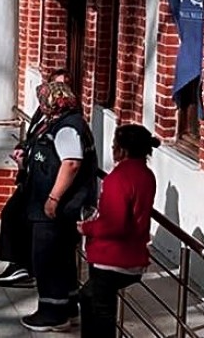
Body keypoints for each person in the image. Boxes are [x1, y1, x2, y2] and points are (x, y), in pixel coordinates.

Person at [21, 81, 98, 332]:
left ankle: (52, 312)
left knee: (47, 258)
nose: (40, 105)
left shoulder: (68, 127)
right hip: (51, 203)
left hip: (58, 207)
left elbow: (71, 163)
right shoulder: (61, 122)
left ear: (54, 102)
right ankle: (67, 306)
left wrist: (53, 198)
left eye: (43, 100)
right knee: (62, 258)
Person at [77, 125, 159, 337]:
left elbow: (115, 224)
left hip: (113, 257)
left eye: (114, 146)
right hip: (132, 253)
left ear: (122, 150)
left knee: (100, 311)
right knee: (90, 298)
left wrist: (86, 227)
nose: (112, 149)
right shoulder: (146, 174)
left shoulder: (118, 179)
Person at [0, 68, 71, 288]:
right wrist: (22, 151)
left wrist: (54, 196)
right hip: (32, 176)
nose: (59, 91)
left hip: (46, 182)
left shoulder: (67, 122)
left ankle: (25, 267)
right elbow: (33, 138)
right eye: (56, 86)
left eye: (64, 87)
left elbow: (70, 162)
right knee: (12, 214)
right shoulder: (42, 113)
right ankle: (17, 264)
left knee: (23, 219)